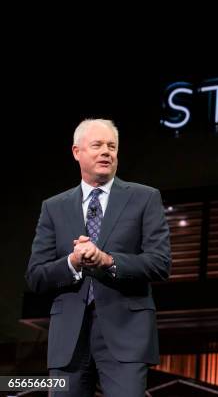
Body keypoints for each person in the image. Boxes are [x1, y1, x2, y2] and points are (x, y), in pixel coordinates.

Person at [25, 118, 171, 396]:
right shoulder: (53, 207)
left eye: (112, 146)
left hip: (126, 336)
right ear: (76, 152)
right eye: (97, 145)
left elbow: (160, 263)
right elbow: (36, 276)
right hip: (67, 340)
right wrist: (73, 263)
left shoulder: (145, 198)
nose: (106, 151)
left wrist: (108, 261)